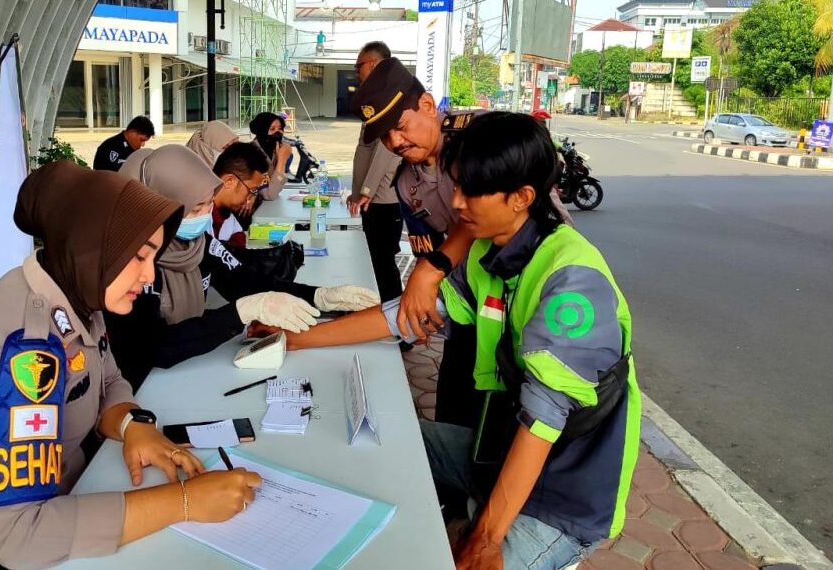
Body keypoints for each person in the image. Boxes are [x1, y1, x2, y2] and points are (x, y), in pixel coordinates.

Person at [247, 112, 640, 570]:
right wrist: (300, 339)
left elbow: (543, 420)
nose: (455, 202)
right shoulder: (489, 251)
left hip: (561, 496)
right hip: (496, 450)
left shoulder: (572, 281)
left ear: (521, 198)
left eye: (470, 190)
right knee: (382, 441)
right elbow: (407, 318)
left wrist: (486, 538)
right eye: (455, 185)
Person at [0, 161, 262, 570]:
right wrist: (185, 501)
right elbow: (20, 537)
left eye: (153, 257)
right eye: (138, 256)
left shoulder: (74, 295)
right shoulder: (23, 352)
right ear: (91, 247)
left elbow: (108, 378)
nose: (146, 275)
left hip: (35, 520)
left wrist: (131, 423)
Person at [106, 145, 378, 386]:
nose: (203, 217)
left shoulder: (197, 243)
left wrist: (319, 296)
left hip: (189, 371)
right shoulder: (128, 264)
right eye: (194, 208)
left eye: (208, 204)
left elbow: (245, 281)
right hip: (140, 388)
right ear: (160, 204)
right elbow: (154, 348)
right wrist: (241, 312)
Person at [350, 56, 481, 426]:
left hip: (521, 309)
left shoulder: (483, 139)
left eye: (401, 126)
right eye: (384, 136)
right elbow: (426, 249)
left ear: (426, 105)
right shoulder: (408, 183)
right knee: (453, 417)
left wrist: (433, 269)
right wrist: (419, 302)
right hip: (466, 311)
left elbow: (502, 214)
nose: (394, 142)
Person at [348, 41, 404, 303]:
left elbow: (385, 152)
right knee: (374, 260)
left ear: (373, 65)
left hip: (384, 199)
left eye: (359, 66)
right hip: (372, 199)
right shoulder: (373, 100)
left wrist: (366, 191)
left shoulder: (388, 98)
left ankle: (400, 332)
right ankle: (382, 317)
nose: (357, 73)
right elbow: (364, 151)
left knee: (383, 264)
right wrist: (357, 191)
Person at [210, 142, 272, 248]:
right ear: (229, 181)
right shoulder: (197, 218)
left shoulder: (226, 215)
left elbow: (238, 239)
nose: (249, 200)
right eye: (251, 191)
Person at [530, 109, 574, 226]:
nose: (544, 124)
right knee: (567, 221)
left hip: (541, 179)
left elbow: (553, 143)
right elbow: (551, 144)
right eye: (542, 122)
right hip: (541, 182)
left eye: (544, 122)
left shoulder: (533, 134)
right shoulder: (537, 135)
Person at [249, 112, 292, 201]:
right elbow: (269, 195)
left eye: (280, 128)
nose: (278, 132)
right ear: (262, 131)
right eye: (272, 129)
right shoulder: (252, 154)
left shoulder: (273, 151)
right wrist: (282, 160)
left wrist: (281, 158)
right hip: (249, 209)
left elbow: (278, 186)